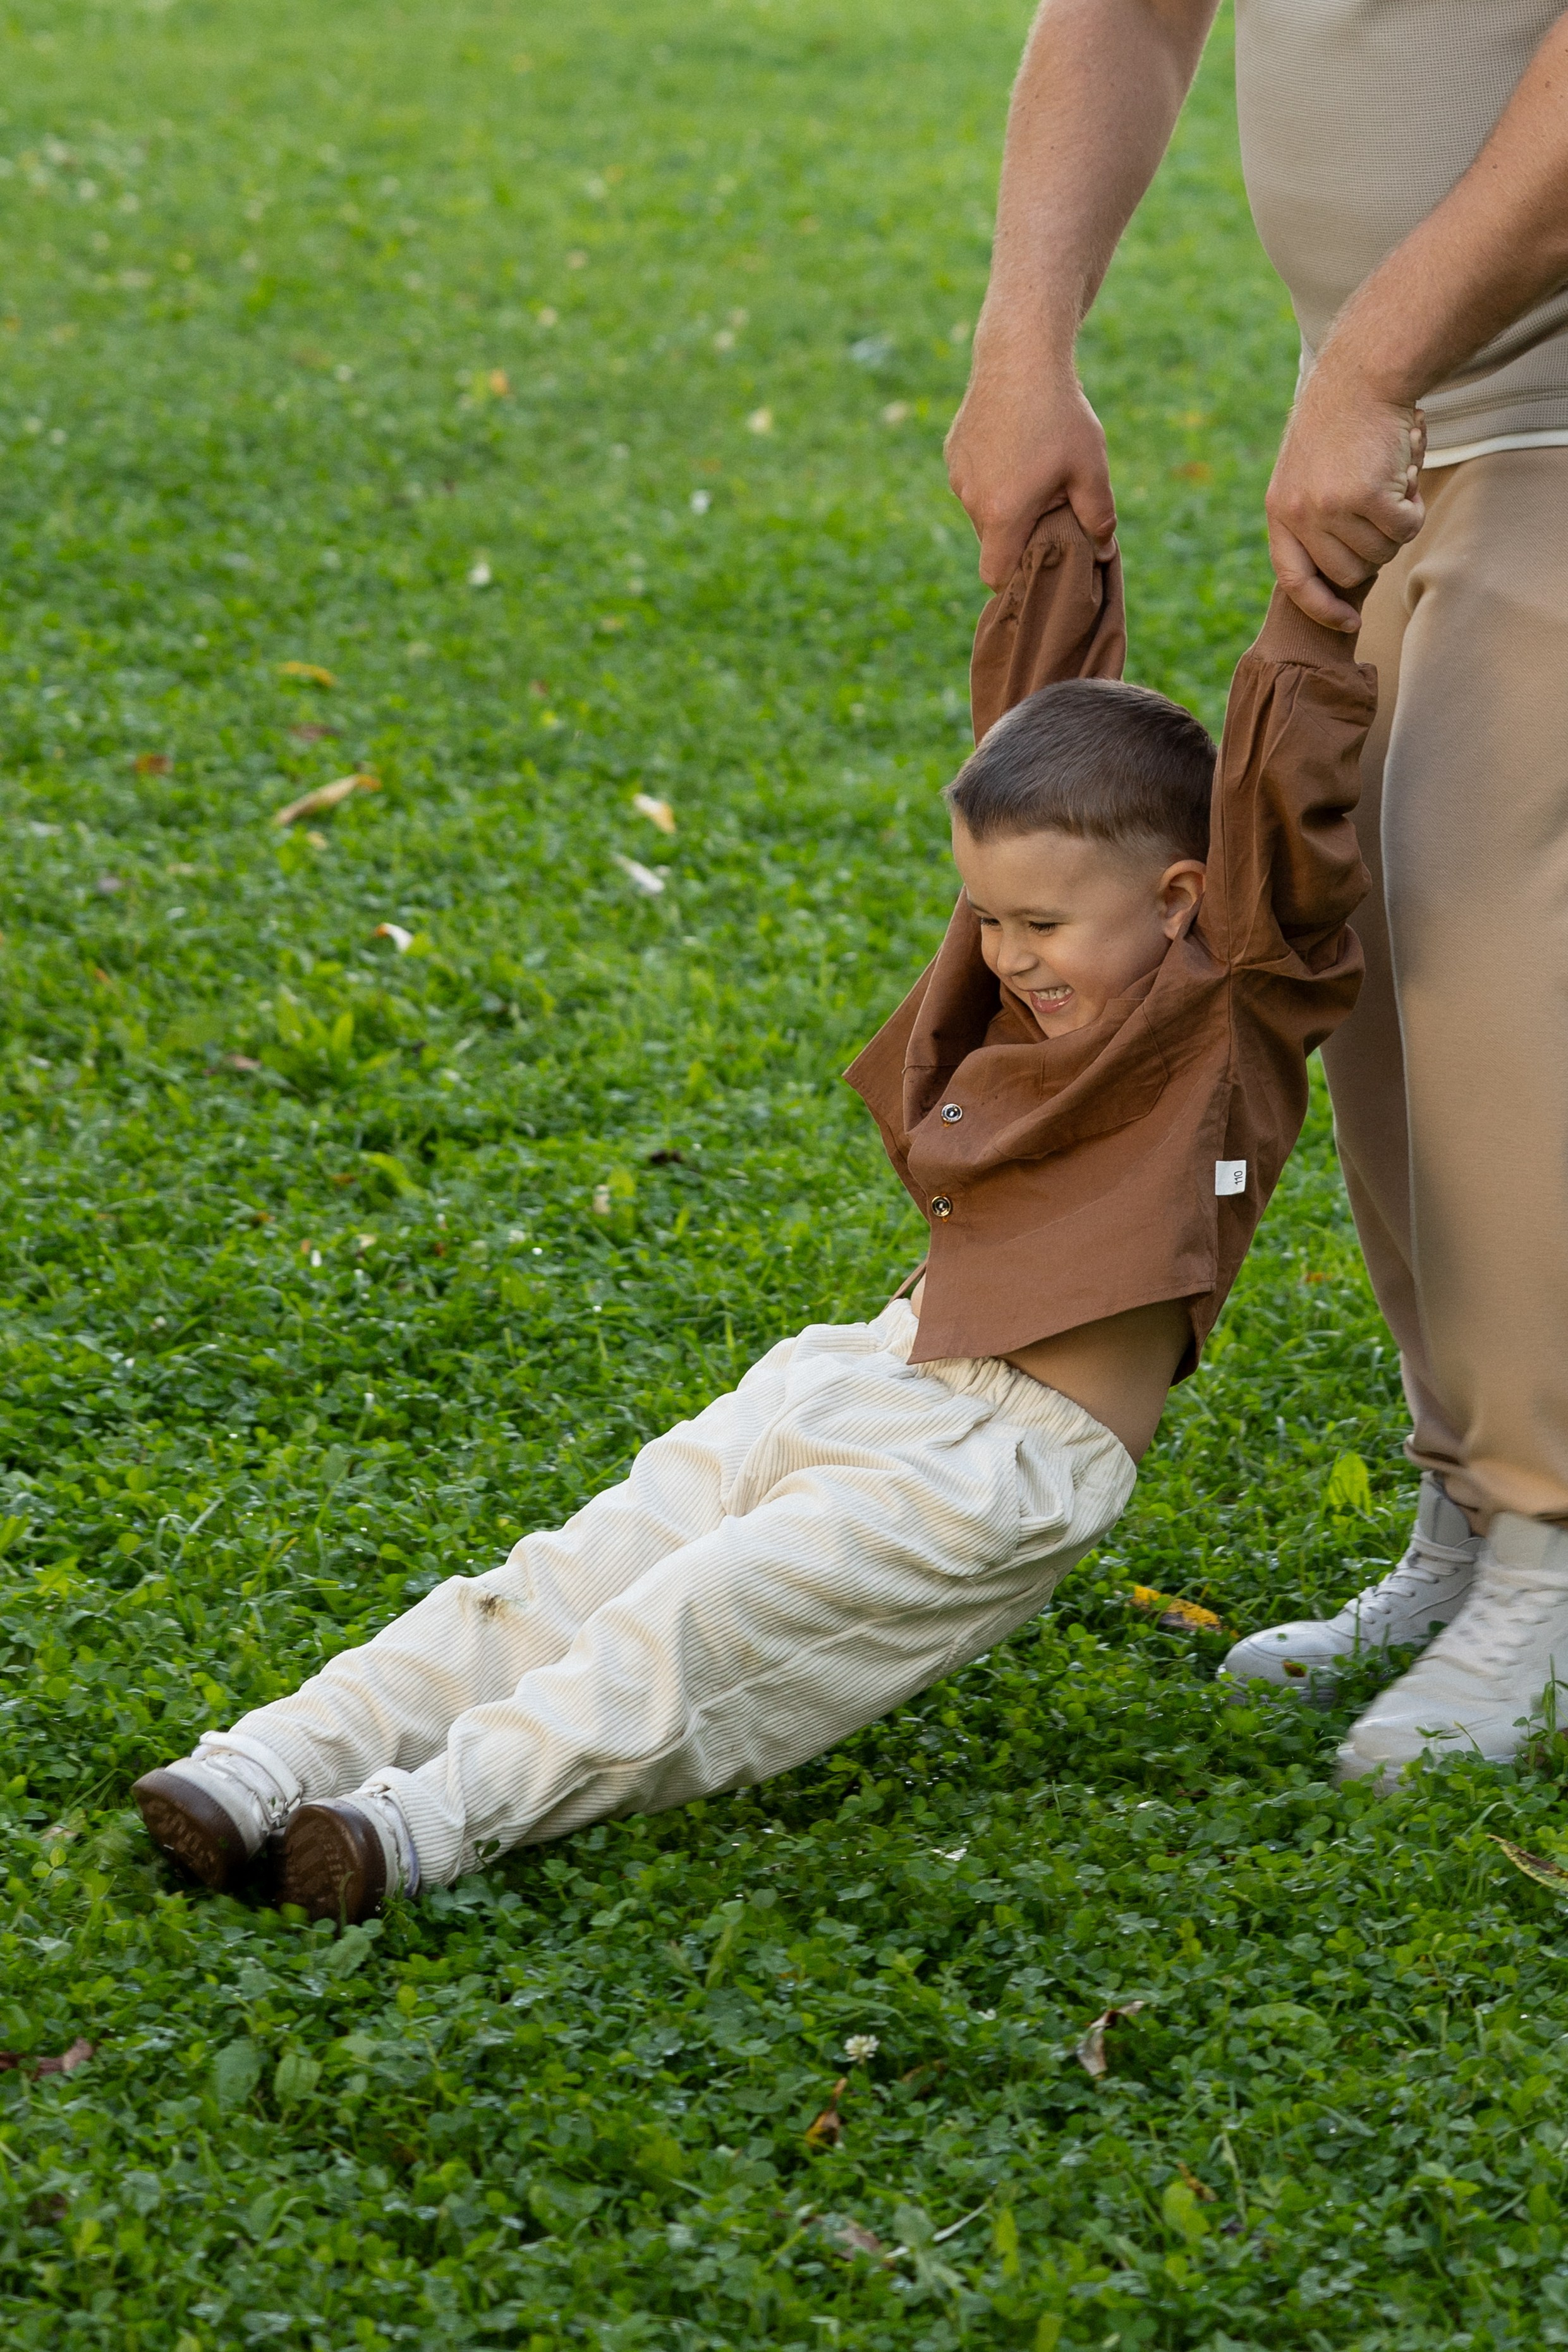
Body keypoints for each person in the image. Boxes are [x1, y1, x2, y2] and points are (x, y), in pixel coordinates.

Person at [131, 515, 1374, 1921]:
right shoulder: (1038, 928)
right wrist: (1049, 528)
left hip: (997, 1468)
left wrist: (1313, 599)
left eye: (1040, 926)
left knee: (696, 1631)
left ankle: (420, 1821)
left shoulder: (1236, 999)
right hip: (861, 1367)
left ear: (1182, 897)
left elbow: (1288, 806)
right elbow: (1031, 711)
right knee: (559, 1576)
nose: (1005, 957)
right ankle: (270, 1759)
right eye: (986, 921)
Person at [945, 0, 1568, 1781]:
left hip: (1539, 414)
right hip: (1397, 421)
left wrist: (1370, 365)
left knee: (1475, 917)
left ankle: (1554, 1535)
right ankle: (1471, 1509)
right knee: (1344, 928)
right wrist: (1023, 339)